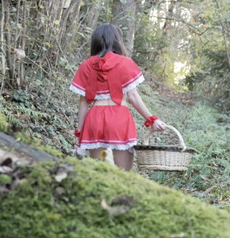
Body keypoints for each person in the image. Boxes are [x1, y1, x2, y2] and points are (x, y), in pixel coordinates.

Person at [69, 24, 166, 171]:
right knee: (123, 173)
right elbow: (133, 96)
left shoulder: (86, 65)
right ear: (117, 40)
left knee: (97, 172)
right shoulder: (125, 63)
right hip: (119, 118)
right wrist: (152, 119)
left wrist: (80, 131)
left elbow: (83, 102)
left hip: (94, 119)